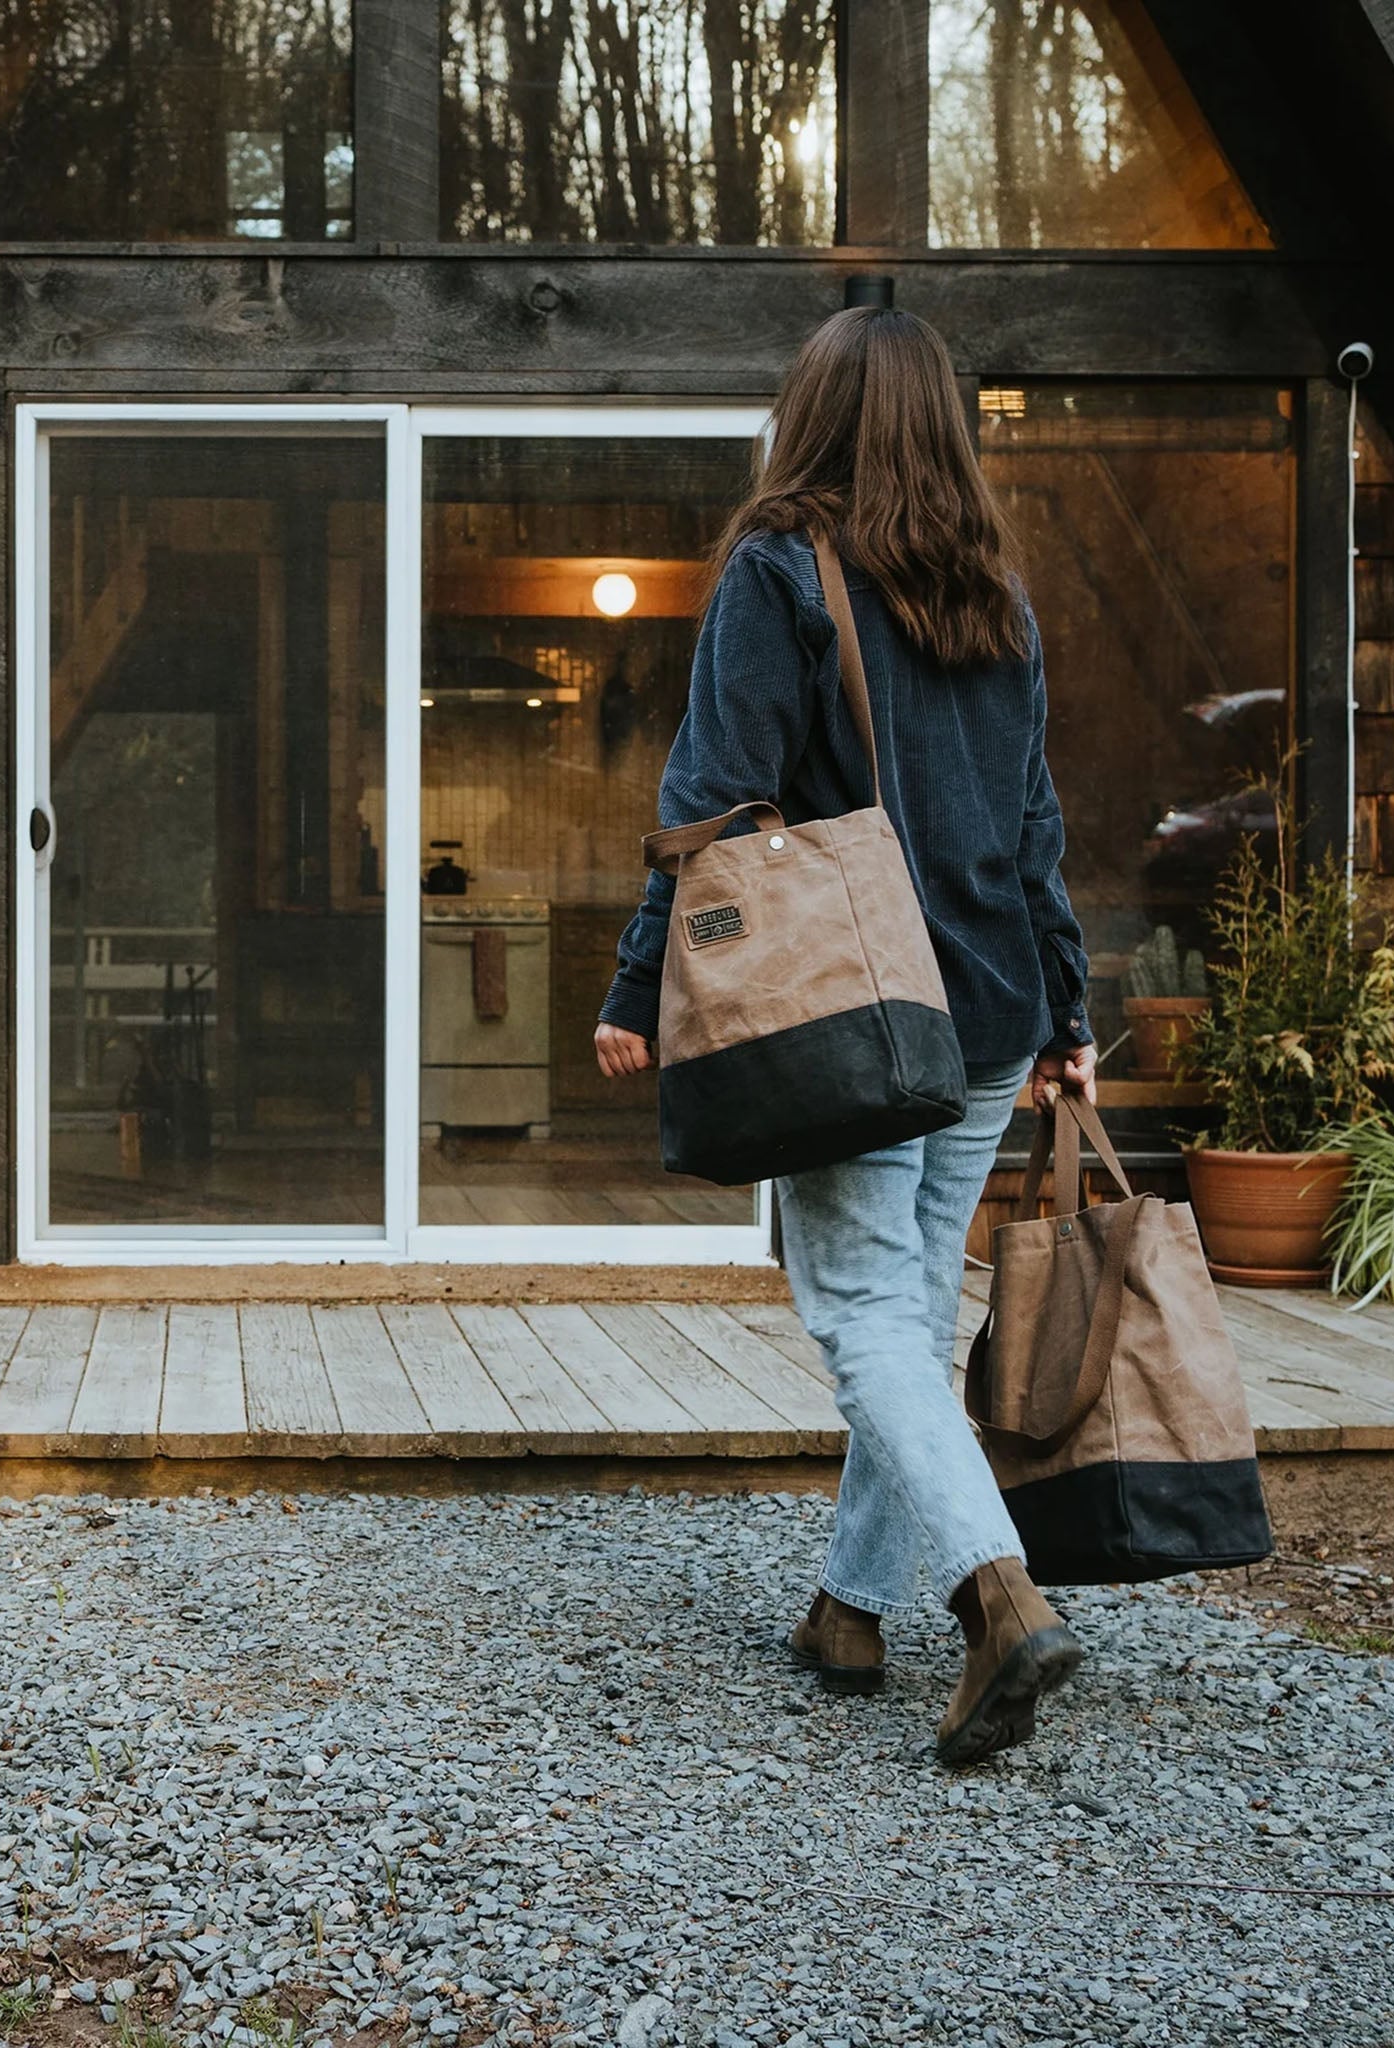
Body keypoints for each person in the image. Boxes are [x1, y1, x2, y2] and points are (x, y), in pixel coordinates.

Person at [594, 306, 1097, 1768]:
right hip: (993, 1006)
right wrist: (1068, 1007)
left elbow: (712, 803)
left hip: (852, 1016)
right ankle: (849, 1610)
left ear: (809, 416)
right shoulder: (992, 594)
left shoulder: (777, 571)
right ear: (943, 427)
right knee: (911, 1307)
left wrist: (641, 986)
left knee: (865, 1313)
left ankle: (997, 1599)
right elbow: (1035, 825)